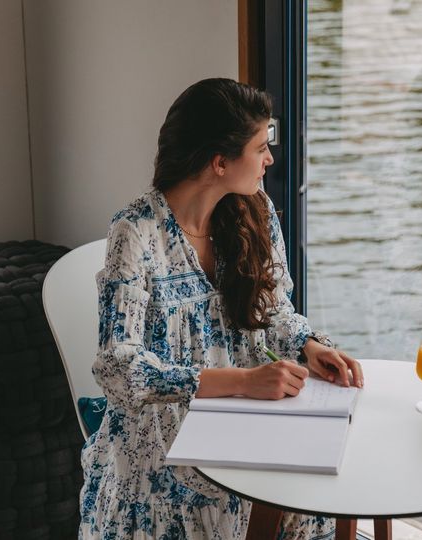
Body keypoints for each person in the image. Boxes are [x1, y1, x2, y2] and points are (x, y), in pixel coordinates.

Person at [79, 78, 364, 539]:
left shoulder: (256, 212)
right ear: (219, 162)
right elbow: (118, 367)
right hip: (162, 443)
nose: (269, 159)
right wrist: (243, 382)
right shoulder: (136, 233)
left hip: (250, 419)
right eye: (260, 147)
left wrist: (308, 346)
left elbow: (273, 313)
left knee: (314, 495)